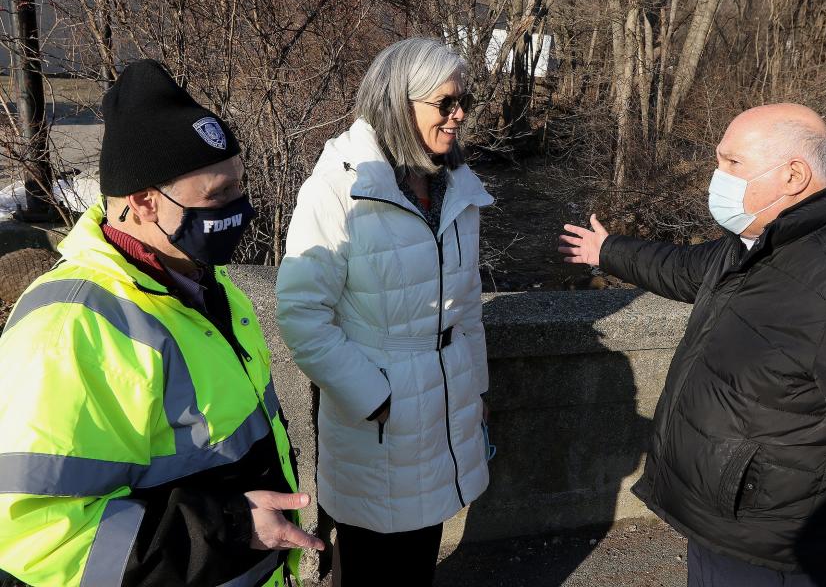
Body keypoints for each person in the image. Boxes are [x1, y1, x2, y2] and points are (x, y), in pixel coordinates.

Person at [559, 103, 826, 586]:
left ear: (792, 175)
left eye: (732, 163)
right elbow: (685, 269)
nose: (716, 177)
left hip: (773, 549)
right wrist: (609, 252)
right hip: (719, 523)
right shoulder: (759, 240)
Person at [0, 60, 323, 587]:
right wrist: (234, 528)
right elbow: (35, 534)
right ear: (145, 202)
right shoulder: (70, 330)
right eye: (218, 195)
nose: (240, 209)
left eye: (241, 186)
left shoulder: (200, 284)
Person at [276, 37, 493, 586]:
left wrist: (478, 389)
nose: (459, 114)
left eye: (461, 100)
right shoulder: (340, 187)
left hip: (442, 404)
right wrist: (373, 398)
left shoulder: (454, 186)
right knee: (371, 561)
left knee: (421, 551)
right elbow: (302, 313)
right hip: (380, 420)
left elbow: (465, 305)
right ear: (400, 104)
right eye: (444, 104)